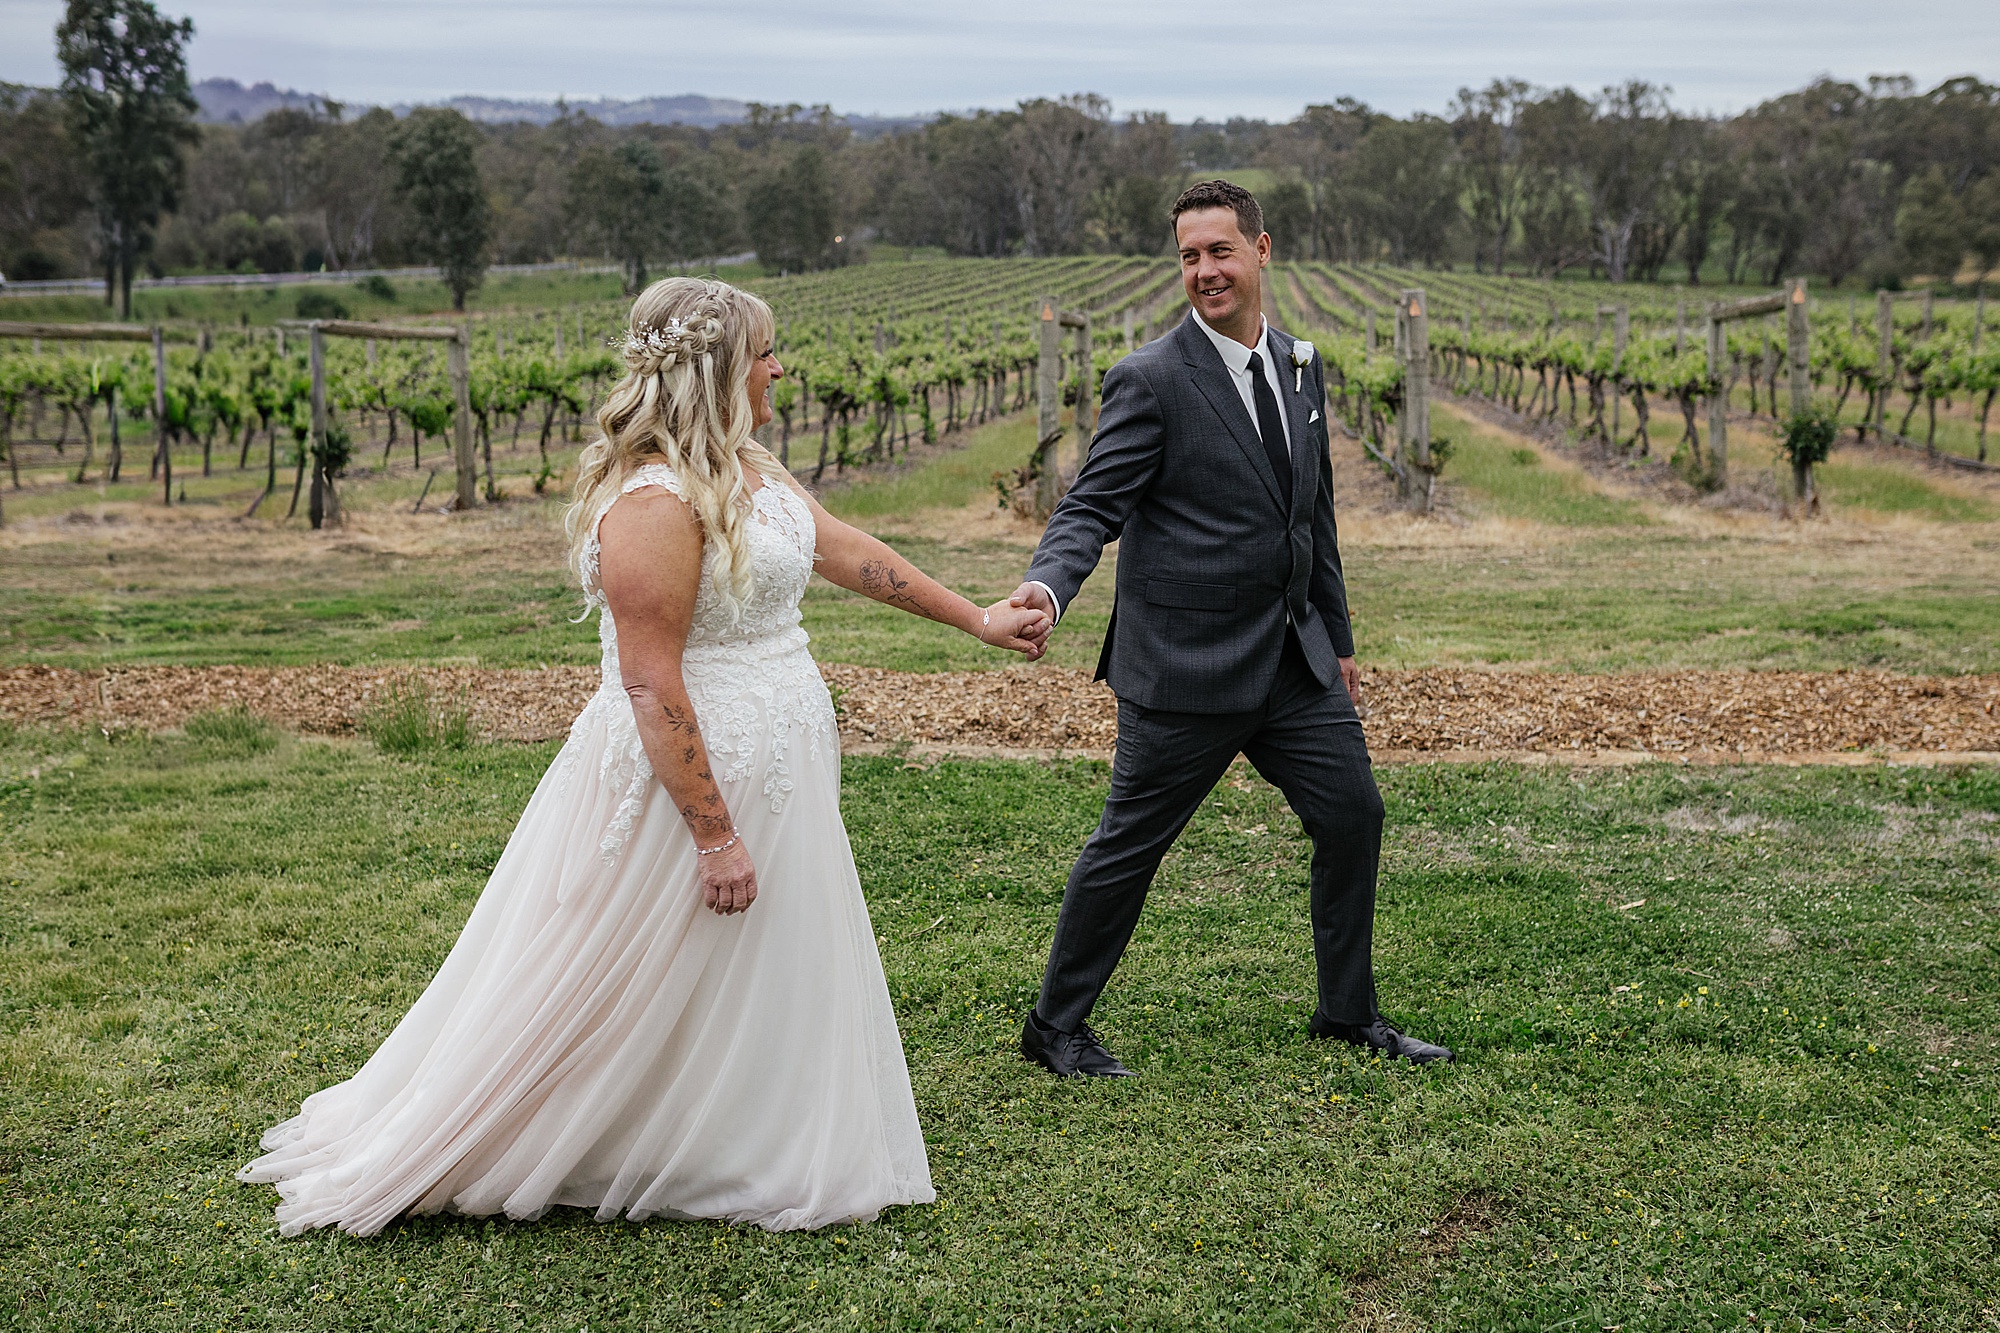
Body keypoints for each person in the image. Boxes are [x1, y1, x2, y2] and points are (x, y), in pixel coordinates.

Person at [239, 277, 1050, 1235]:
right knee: (623, 968)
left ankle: (735, 1130)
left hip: (778, 760)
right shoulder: (656, 503)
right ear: (717, 369)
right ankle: (585, 1134)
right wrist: (714, 835)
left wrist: (976, 619)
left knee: (741, 963)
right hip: (692, 776)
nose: (779, 369)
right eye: (764, 353)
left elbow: (839, 549)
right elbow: (651, 683)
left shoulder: (750, 467)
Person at [1010, 180, 1452, 1077]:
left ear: (1261, 250)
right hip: (1185, 665)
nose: (1205, 270)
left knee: (1354, 814)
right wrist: (1049, 588)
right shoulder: (1149, 378)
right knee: (1129, 847)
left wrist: (1338, 638)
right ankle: (1054, 1026)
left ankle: (1346, 1011)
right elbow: (1091, 505)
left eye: (1219, 250)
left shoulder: (1299, 363)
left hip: (1293, 659)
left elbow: (1312, 515)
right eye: (1189, 256)